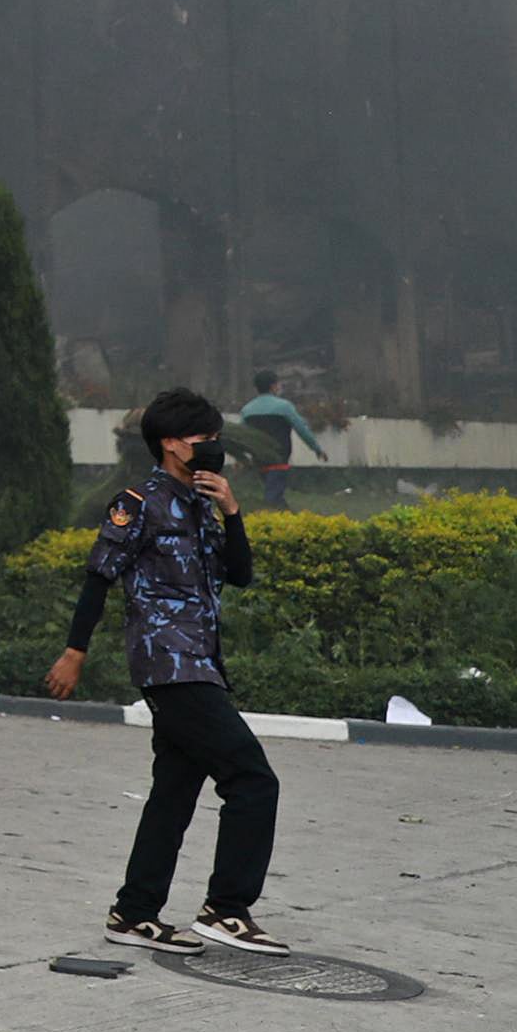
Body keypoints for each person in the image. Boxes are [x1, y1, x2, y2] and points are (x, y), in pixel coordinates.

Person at [45, 385, 287, 954]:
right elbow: (98, 578)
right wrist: (75, 652)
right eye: (205, 439)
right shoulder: (138, 502)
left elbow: (242, 574)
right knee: (253, 780)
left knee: (174, 793)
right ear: (172, 444)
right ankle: (225, 909)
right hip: (169, 665)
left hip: (201, 660)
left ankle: (133, 914)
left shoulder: (204, 503)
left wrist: (232, 510)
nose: (215, 449)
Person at [234, 370, 317, 508]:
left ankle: (282, 518)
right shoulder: (284, 407)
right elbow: (301, 429)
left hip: (259, 459)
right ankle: (281, 521)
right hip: (279, 457)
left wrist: (239, 458)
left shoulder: (247, 409)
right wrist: (316, 448)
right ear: (273, 386)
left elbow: (241, 436)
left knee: (273, 493)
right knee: (273, 496)